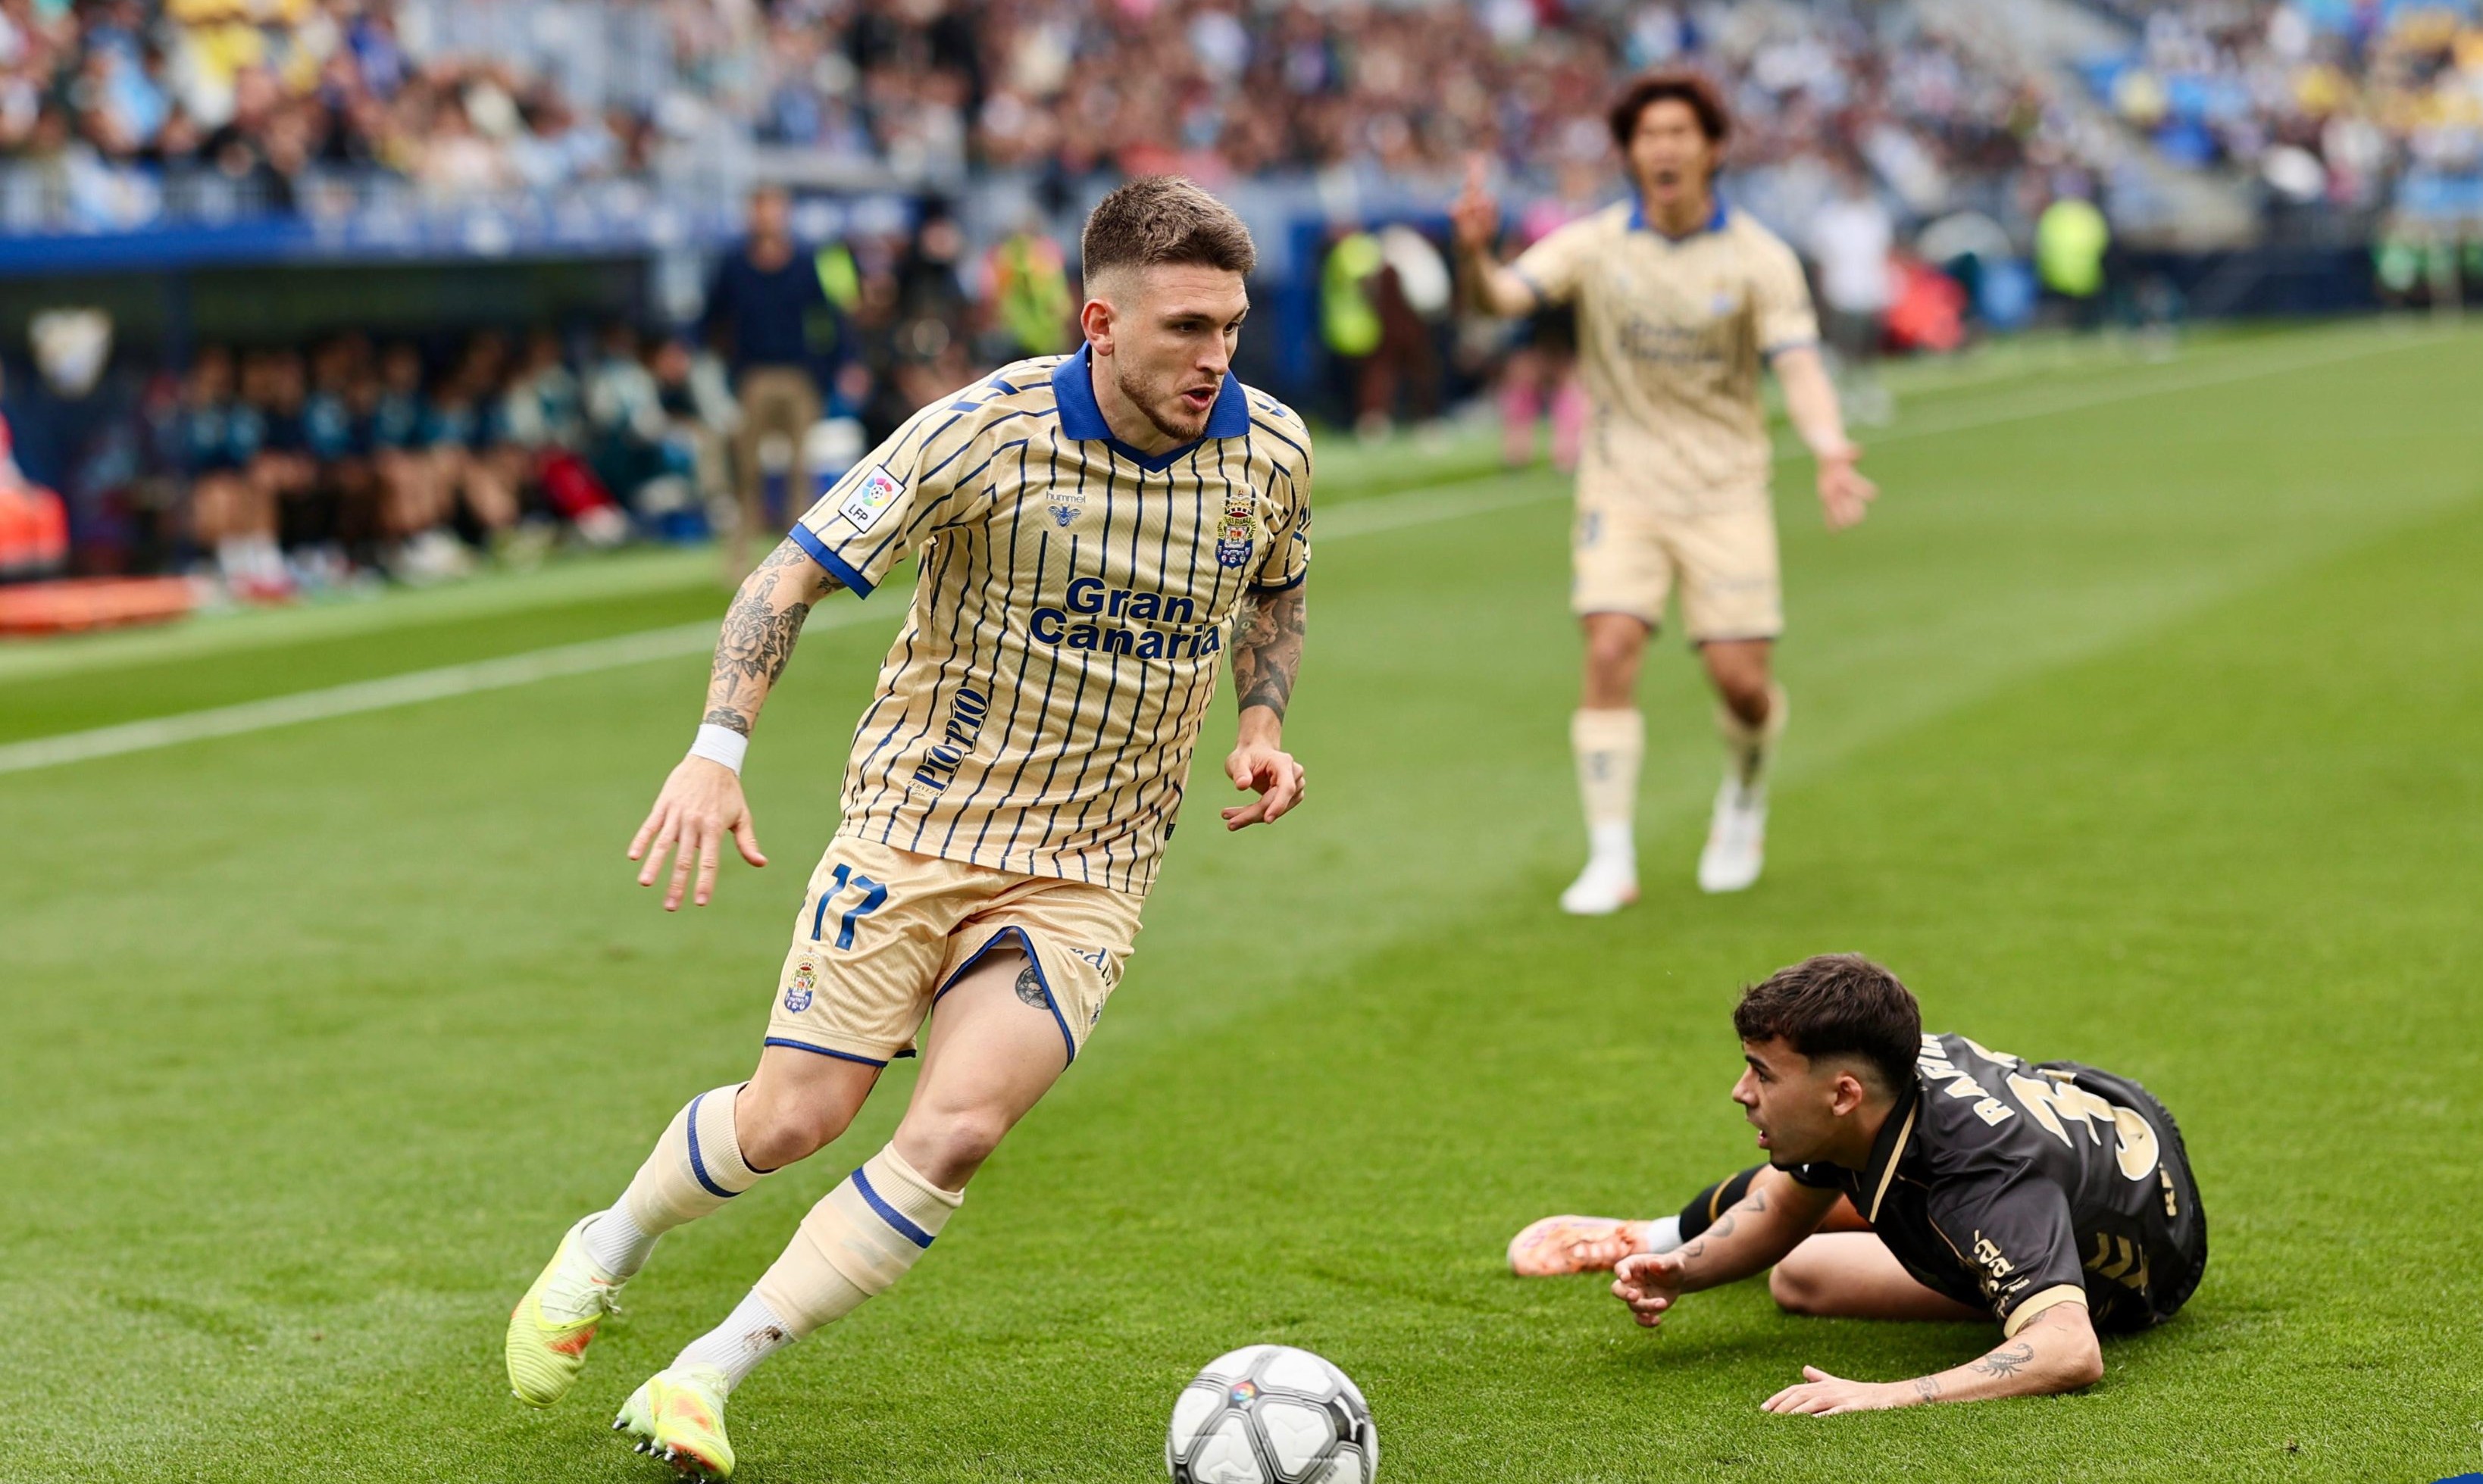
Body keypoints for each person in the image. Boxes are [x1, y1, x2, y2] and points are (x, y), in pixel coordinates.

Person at [503, 177, 1316, 1479]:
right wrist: (716, 752)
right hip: (917, 824)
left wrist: (1261, 721)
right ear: (1100, 321)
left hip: (1093, 864)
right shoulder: (978, 433)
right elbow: (788, 575)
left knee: (956, 1129)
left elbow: (1275, 591)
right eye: (1184, 329)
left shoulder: (1268, 448)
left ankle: (704, 1371)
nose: (1214, 358)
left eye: (1229, 325)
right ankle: (609, 1242)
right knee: (793, 1117)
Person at [1451, 71, 1879, 912]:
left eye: (1680, 132)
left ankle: (1744, 800)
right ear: (1631, 152)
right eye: (1649, 135)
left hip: (1725, 489)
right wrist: (1472, 251)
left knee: (1740, 684)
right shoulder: (1595, 243)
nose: (1665, 148)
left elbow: (1797, 364)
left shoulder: (1758, 258)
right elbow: (1501, 297)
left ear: (1712, 147)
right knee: (1609, 648)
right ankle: (1611, 856)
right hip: (1622, 484)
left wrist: (1829, 448)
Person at [1508, 954, 2206, 1414]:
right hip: (2090, 1120)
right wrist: (1686, 1268)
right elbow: (1783, 1205)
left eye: (1763, 1072)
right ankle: (1660, 1229)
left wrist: (1884, 1394)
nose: (1739, 1090)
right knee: (1797, 1267)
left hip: (2138, 1263)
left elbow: (2068, 1350)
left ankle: (1661, 1225)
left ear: (1842, 1093)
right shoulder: (1872, 1082)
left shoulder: (1985, 1189)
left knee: (1848, 1246)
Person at [703, 186, 839, 581]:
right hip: (754, 376)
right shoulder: (734, 263)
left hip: (799, 376)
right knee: (747, 470)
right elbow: (711, 316)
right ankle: (740, 556)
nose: (766, 216)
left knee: (801, 468)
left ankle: (801, 558)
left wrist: (835, 366)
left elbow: (828, 317)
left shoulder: (805, 260)